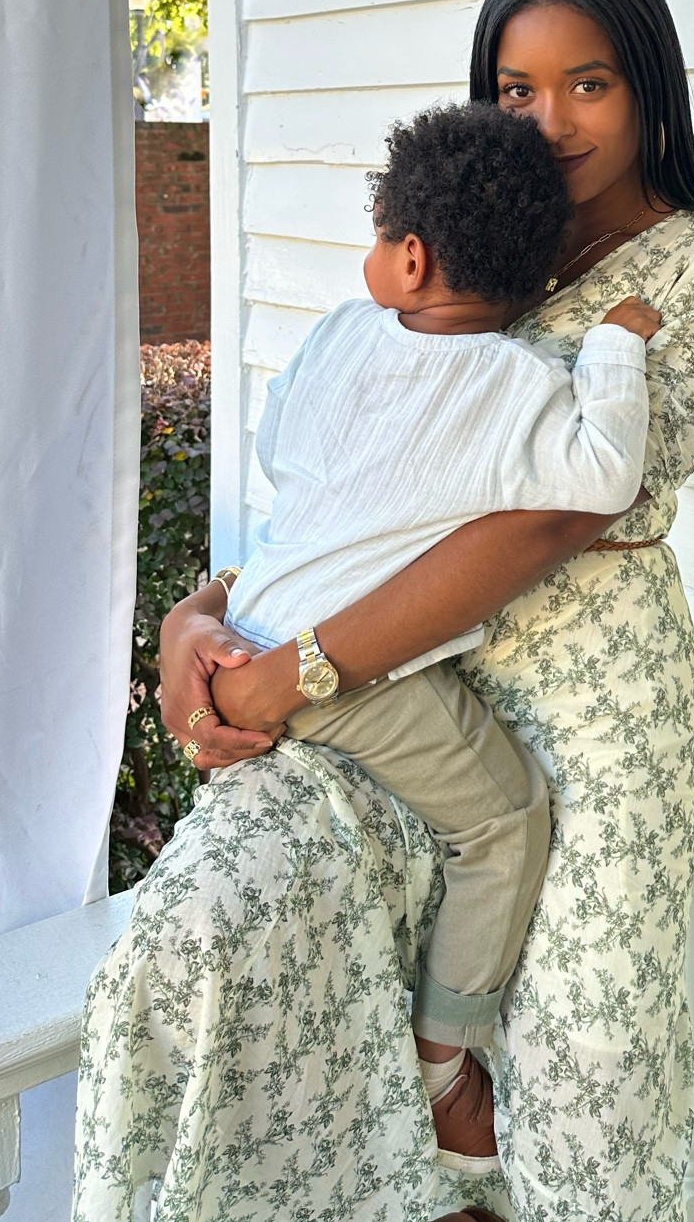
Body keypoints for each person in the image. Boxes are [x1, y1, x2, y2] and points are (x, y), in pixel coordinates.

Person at [70, 0, 694, 1222]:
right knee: (294, 1005)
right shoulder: (454, 247)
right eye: (516, 89)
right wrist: (203, 618)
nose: (551, 121)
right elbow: (348, 480)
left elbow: (560, 514)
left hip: (581, 718)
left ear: (651, 96)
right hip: (398, 701)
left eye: (590, 84)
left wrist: (297, 674)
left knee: (586, 1088)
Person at [213, 99, 662, 1165]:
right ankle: (443, 1056)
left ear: (410, 259)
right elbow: (607, 472)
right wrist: (614, 346)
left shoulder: (337, 332)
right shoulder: (516, 384)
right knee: (507, 815)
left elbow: (279, 447)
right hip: (345, 675)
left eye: (378, 236)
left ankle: (430, 1067)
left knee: (489, 813)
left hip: (262, 626)